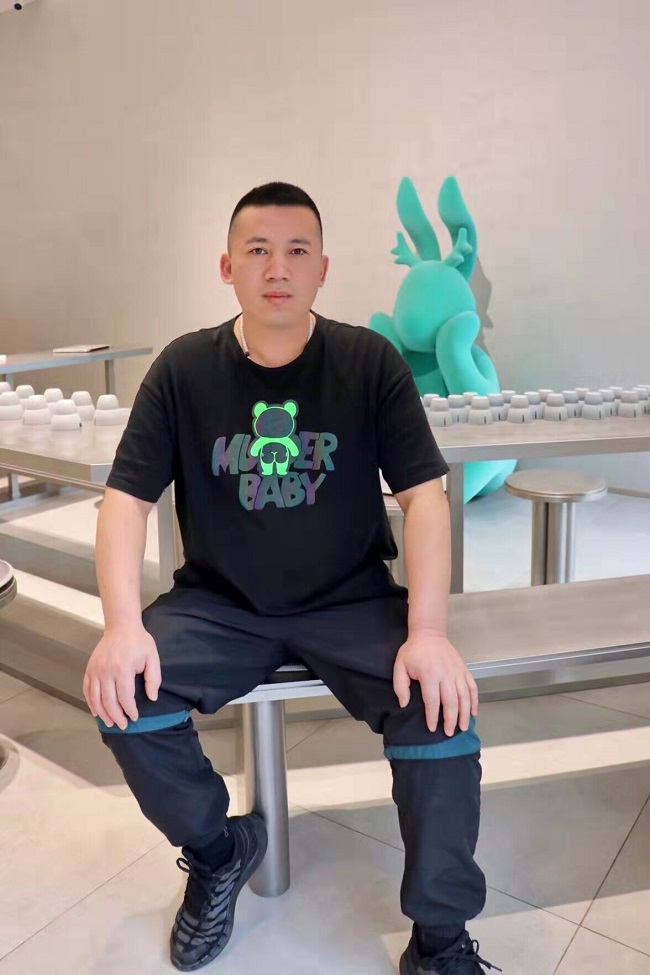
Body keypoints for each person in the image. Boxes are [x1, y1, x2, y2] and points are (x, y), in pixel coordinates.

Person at [83, 182, 499, 975]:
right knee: (123, 694)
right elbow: (126, 500)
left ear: (322, 269)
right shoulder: (183, 369)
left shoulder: (367, 362)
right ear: (227, 267)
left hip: (351, 597)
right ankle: (219, 850)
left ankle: (440, 938)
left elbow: (425, 497)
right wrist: (122, 625)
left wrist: (429, 632)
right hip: (220, 602)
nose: (278, 268)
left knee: (442, 712)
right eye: (259, 250)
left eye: (297, 250)